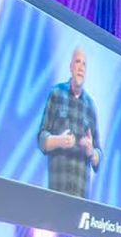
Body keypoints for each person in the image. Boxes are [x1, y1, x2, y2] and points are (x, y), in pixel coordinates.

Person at [38, 46, 103, 197]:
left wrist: (91, 152)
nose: (81, 68)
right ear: (71, 67)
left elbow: (98, 158)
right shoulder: (56, 93)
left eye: (84, 64)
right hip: (56, 193)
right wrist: (59, 141)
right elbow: (41, 140)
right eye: (78, 62)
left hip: (80, 198)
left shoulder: (90, 106)